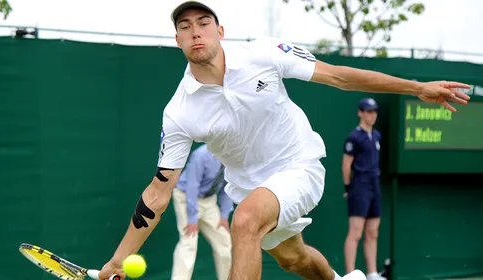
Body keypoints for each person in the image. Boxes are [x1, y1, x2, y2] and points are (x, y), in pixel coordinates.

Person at [98, 1, 470, 280]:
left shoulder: (265, 54)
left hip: (299, 165)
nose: (196, 31)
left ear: (220, 31)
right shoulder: (180, 112)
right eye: (185, 26)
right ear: (177, 39)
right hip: (248, 185)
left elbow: (339, 77)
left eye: (203, 23)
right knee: (295, 259)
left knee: (245, 222)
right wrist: (117, 261)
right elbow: (159, 193)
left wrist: (417, 87)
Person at [171, 143, 233, 280]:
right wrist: (192, 218)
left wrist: (224, 215)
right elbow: (192, 186)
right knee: (189, 242)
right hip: (185, 197)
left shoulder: (232, 157)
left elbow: (227, 186)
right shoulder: (200, 155)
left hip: (209, 201)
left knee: (224, 241)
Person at [342, 98, 384, 280]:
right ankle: (351, 274)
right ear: (360, 113)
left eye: (374, 111)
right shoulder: (354, 137)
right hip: (359, 187)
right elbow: (346, 165)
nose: (372, 115)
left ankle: (372, 273)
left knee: (373, 231)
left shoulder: (377, 136)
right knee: (356, 232)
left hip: (375, 186)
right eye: (368, 111)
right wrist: (348, 187)